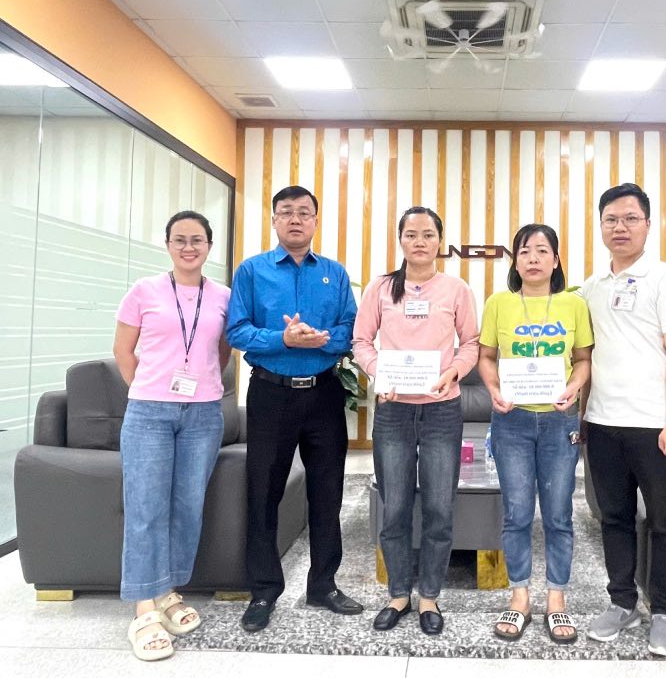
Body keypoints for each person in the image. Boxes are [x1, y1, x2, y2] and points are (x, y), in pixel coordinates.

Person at [226, 185, 361, 633]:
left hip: (323, 392)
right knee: (264, 490)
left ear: (316, 221)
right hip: (270, 393)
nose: (296, 219)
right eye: (287, 213)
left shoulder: (335, 274)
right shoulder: (252, 271)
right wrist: (281, 339)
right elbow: (237, 331)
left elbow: (351, 328)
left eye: (304, 213)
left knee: (328, 490)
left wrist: (325, 340)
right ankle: (264, 590)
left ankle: (323, 584)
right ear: (274, 221)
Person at [352, 206, 480, 635]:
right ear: (401, 240)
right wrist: (378, 373)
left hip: (442, 408)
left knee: (440, 507)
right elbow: (360, 340)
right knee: (396, 507)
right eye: (411, 234)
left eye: (428, 234)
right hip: (393, 410)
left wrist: (454, 373)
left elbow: (472, 344)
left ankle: (429, 596)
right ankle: (398, 595)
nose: (420, 241)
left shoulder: (457, 289)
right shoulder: (382, 288)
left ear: (439, 241)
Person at [580, 184, 666, 656]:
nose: (620, 227)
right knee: (615, 519)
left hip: (656, 426)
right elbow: (584, 357)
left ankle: (664, 611)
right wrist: (581, 417)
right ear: (601, 225)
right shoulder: (590, 286)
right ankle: (622, 601)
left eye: (630, 218)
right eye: (611, 219)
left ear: (648, 224)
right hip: (603, 424)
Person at [113, 210, 232, 661]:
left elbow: (221, 351)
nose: (189, 247)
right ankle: (144, 609)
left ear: (208, 247)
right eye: (180, 239)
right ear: (167, 244)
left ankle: (168, 592)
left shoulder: (221, 296)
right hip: (148, 412)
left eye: (197, 240)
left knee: (187, 505)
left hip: (203, 413)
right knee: (146, 507)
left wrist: (194, 384)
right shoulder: (143, 291)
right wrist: (150, 390)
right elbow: (123, 350)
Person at [477, 224, 593, 645]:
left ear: (556, 260)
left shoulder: (573, 305)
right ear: (515, 260)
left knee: (559, 514)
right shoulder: (498, 304)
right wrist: (492, 389)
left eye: (542, 251)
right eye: (525, 251)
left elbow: (582, 359)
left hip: (560, 421)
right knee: (517, 512)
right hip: (512, 421)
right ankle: (520, 595)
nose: (533, 258)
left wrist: (574, 387)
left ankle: (556, 600)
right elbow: (486, 356)